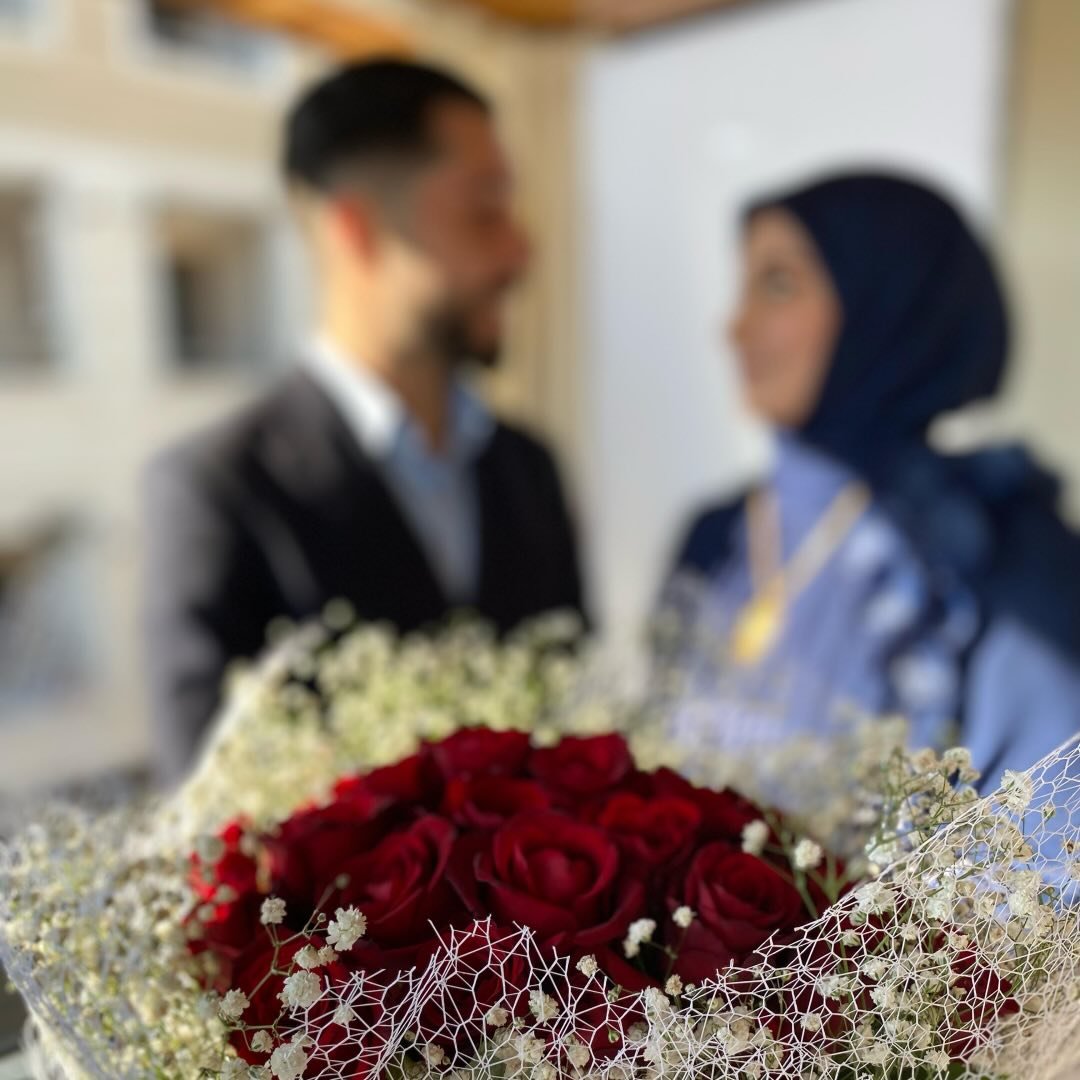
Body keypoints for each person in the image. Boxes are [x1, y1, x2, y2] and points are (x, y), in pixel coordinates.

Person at [143, 60, 586, 779]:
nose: (520, 250)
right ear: (357, 227)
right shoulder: (214, 491)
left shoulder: (530, 468)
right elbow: (206, 806)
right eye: (484, 212)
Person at [664, 171, 1080, 790]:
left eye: (778, 284)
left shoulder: (982, 546)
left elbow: (1042, 813)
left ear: (886, 300)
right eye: (745, 285)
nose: (737, 327)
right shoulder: (719, 536)